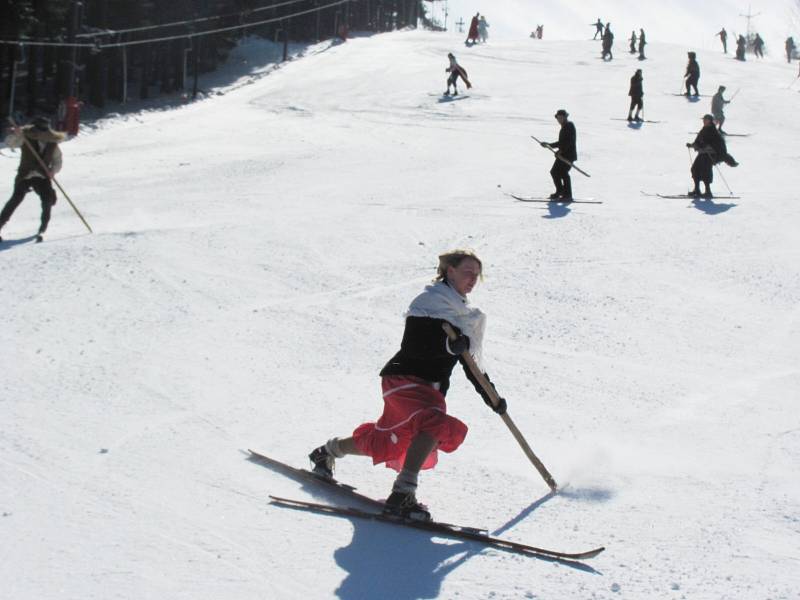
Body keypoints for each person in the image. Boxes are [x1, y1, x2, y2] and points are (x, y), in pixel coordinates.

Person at [308, 250, 507, 521]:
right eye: (467, 272)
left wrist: (493, 399)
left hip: (428, 389)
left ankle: (327, 452)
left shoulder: (466, 317)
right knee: (434, 424)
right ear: (450, 271)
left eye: (476, 274)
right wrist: (448, 344)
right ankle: (403, 492)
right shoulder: (429, 302)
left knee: (391, 440)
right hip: (404, 380)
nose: (472, 279)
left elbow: (473, 368)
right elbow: (413, 345)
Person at [0, 116, 65, 243]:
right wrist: (16, 134)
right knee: (15, 199)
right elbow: (10, 143)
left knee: (47, 201)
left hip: (42, 176)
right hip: (25, 174)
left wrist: (52, 172)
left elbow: (58, 160)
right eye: (38, 130)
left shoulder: (52, 142)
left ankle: (43, 229)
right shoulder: (26, 137)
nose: (40, 134)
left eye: (44, 131)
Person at [686, 114, 738, 198]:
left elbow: (717, 144)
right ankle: (697, 190)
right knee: (695, 169)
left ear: (709, 121)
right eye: (704, 120)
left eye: (705, 119)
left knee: (706, 171)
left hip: (711, 155)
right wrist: (692, 145)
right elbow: (698, 141)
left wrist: (709, 147)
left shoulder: (713, 131)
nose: (704, 121)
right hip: (703, 153)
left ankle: (708, 191)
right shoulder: (703, 129)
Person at [541, 109, 577, 201]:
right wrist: (549, 145)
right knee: (555, 172)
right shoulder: (564, 126)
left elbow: (569, 142)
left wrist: (560, 151)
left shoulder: (569, 125)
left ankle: (567, 195)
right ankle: (560, 191)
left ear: (565, 117)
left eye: (561, 117)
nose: (559, 119)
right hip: (563, 155)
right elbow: (561, 142)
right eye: (558, 118)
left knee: (563, 173)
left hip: (568, 155)